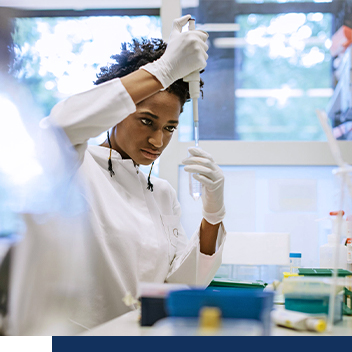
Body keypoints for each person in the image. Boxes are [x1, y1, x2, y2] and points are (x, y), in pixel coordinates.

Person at [39, 14, 226, 330]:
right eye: (146, 121)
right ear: (116, 111)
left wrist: (214, 214)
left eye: (169, 128)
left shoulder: (161, 193)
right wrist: (163, 70)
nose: (158, 140)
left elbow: (181, 283)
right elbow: (59, 126)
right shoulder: (73, 167)